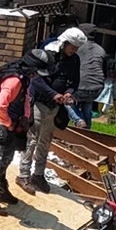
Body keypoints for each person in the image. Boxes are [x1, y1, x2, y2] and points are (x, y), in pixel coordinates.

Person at [0, 50, 62, 214]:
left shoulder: (24, 77)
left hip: (14, 121)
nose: (36, 76)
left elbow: (25, 97)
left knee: (7, 158)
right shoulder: (14, 81)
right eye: (35, 73)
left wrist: (26, 116)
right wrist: (9, 124)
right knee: (1, 161)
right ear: (31, 68)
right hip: (4, 125)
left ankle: (1, 191)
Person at [20, 46, 75, 195]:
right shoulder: (45, 59)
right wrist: (53, 93)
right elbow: (36, 81)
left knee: (45, 142)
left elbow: (73, 81)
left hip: (54, 107)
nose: (74, 50)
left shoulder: (72, 61)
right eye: (72, 47)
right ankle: (23, 175)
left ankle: (38, 175)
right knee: (32, 140)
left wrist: (69, 92)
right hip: (39, 103)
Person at [72, 24, 111, 125]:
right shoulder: (101, 50)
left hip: (80, 86)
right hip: (97, 87)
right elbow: (105, 71)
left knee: (67, 101)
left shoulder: (76, 48)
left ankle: (78, 120)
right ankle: (87, 129)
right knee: (87, 105)